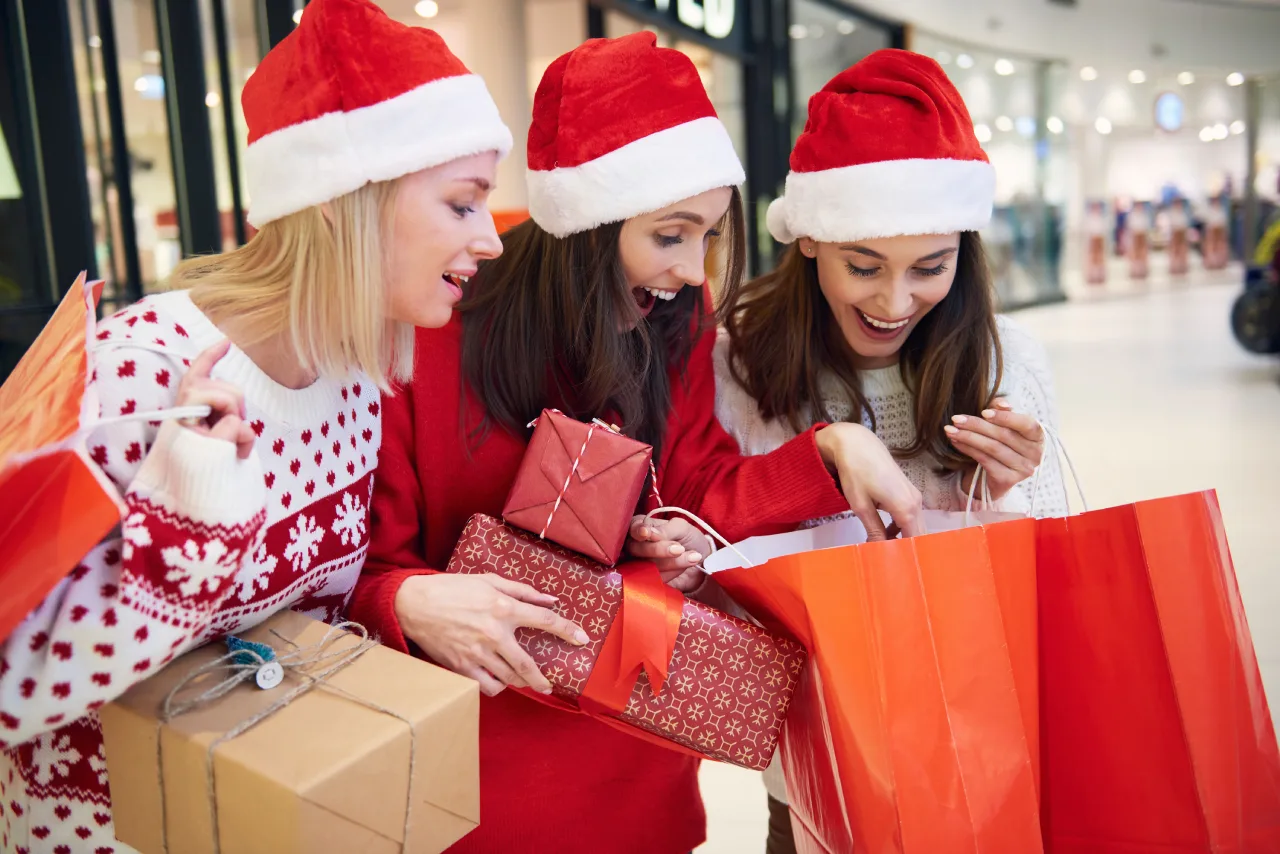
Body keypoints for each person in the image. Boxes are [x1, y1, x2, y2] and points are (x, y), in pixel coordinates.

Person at [349, 33, 924, 854]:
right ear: (585, 222)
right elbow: (359, 577)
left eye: (710, 238)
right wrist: (407, 602)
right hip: (473, 782)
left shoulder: (667, 326)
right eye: (670, 235)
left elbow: (699, 479)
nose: (694, 271)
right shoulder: (428, 339)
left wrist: (829, 454)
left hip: (634, 753)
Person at [0, 1, 510, 850]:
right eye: (462, 205)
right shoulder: (138, 372)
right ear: (342, 205)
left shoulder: (353, 379)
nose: (490, 239)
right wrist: (185, 525)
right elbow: (16, 688)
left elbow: (294, 639)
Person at [708, 49, 1069, 853]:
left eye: (929, 268)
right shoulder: (739, 358)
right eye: (862, 266)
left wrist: (1008, 487)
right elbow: (723, 552)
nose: (894, 301)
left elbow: (1047, 573)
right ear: (809, 240)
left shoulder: (1009, 354)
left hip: (975, 736)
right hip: (818, 748)